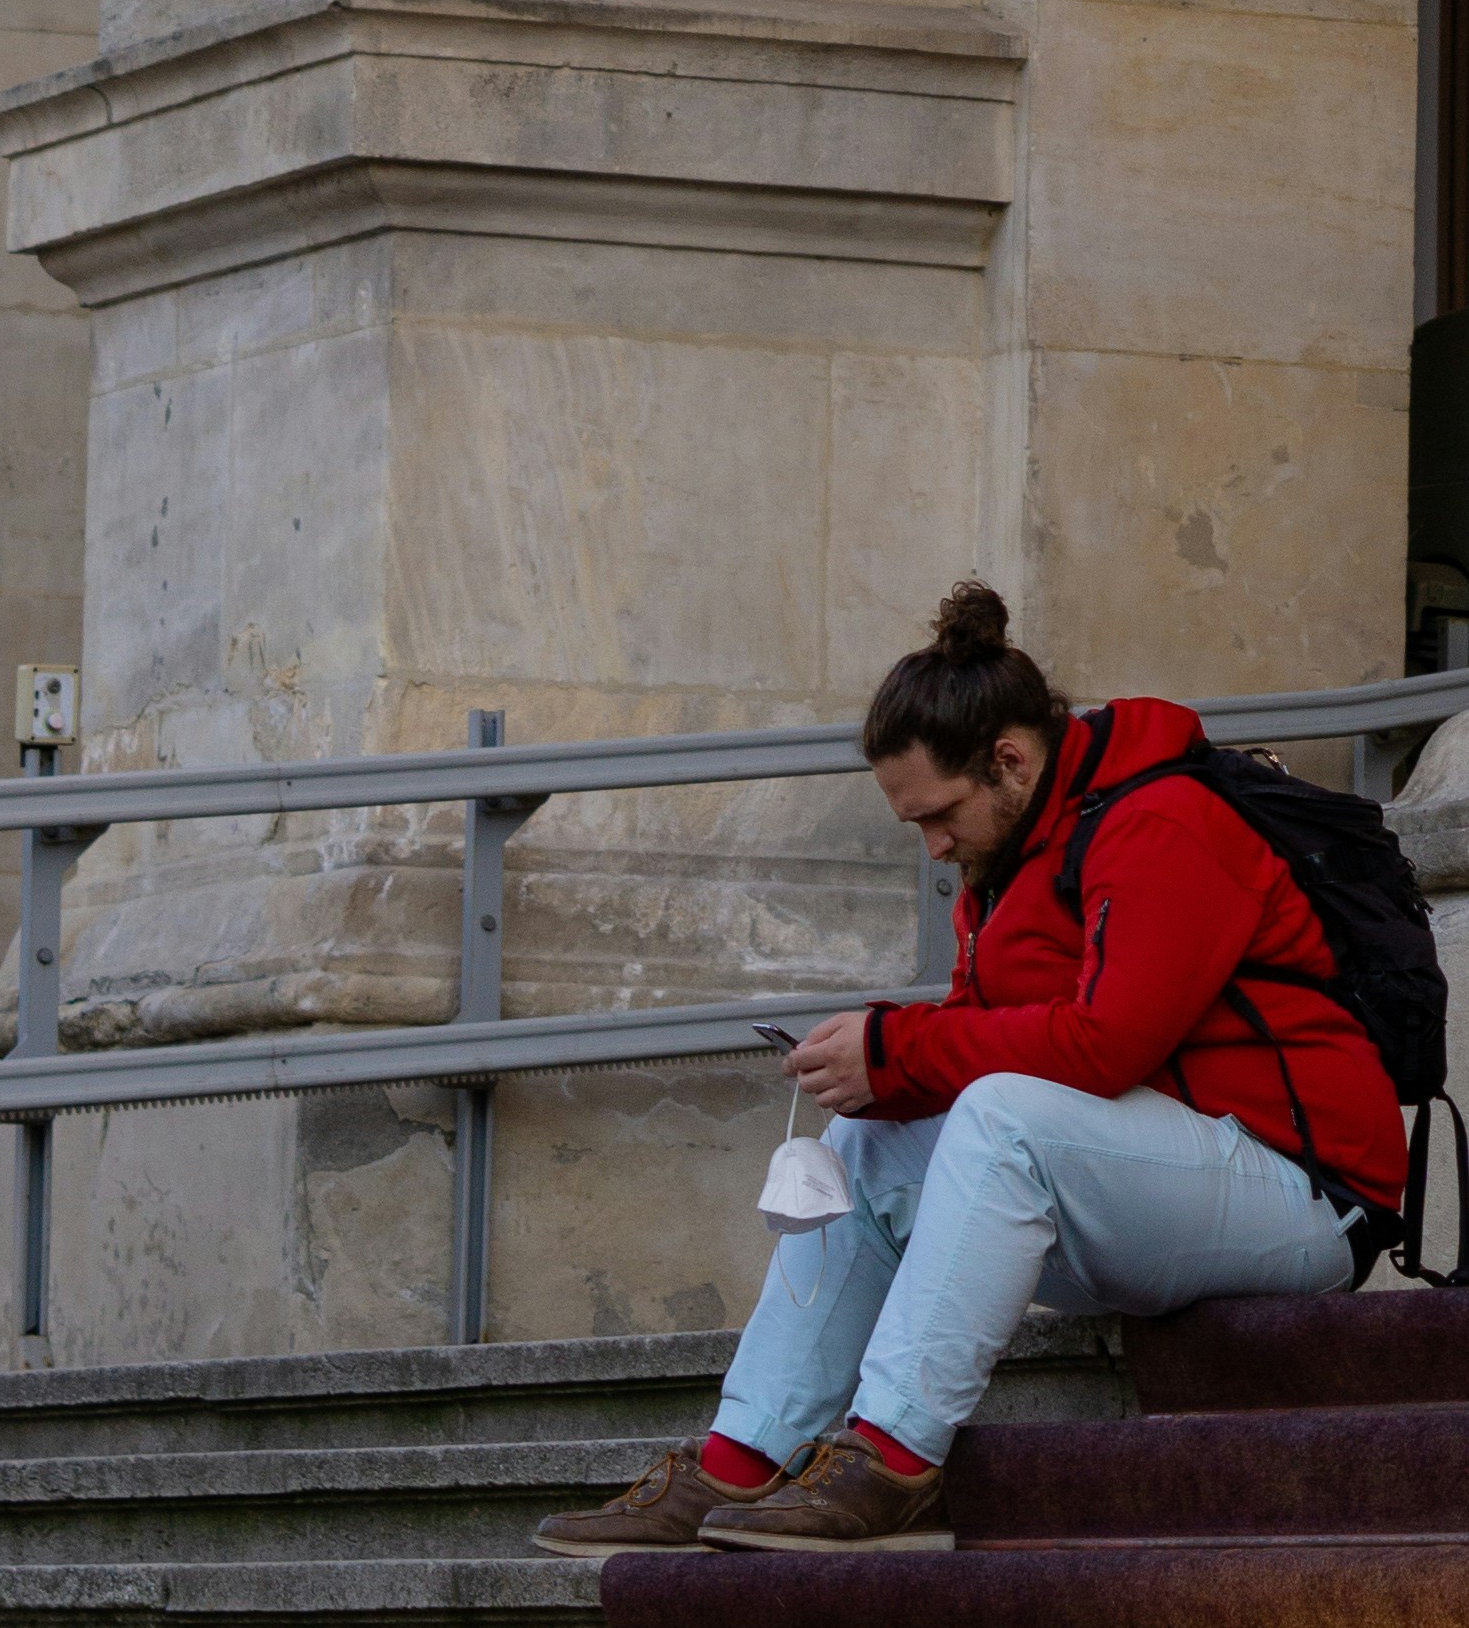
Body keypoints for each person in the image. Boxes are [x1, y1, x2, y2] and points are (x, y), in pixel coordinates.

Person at [538, 583, 1398, 1557]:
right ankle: (739, 1465)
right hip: (1152, 1189)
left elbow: (1106, 1046)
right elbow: (984, 1035)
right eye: (915, 825)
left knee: (1000, 1118)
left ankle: (896, 1462)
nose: (933, 845)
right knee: (872, 1130)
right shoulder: (1007, 859)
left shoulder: (1165, 821)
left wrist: (901, 1048)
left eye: (940, 815)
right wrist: (877, 1062)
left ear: (1010, 761)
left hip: (1302, 1193)